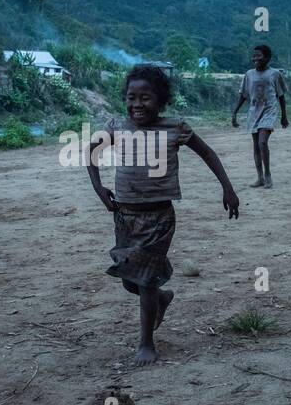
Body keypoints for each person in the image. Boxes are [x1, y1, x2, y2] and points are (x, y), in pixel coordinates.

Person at [89, 64, 239, 365]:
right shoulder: (117, 126)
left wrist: (228, 188)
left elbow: (208, 153)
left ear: (161, 100)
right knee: (130, 281)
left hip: (159, 218)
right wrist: (99, 188)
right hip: (124, 216)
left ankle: (145, 343)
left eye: (145, 97)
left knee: (144, 281)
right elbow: (90, 152)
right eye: (131, 97)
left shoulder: (175, 128)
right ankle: (161, 298)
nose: (137, 104)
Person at [231, 44, 289, 188]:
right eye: (254, 56)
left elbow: (281, 96)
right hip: (254, 111)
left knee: (262, 143)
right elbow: (243, 95)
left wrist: (284, 116)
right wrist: (235, 112)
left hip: (269, 110)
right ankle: (260, 177)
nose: (255, 58)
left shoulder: (275, 74)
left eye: (259, 56)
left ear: (267, 58)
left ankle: (268, 175)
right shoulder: (249, 74)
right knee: (256, 146)